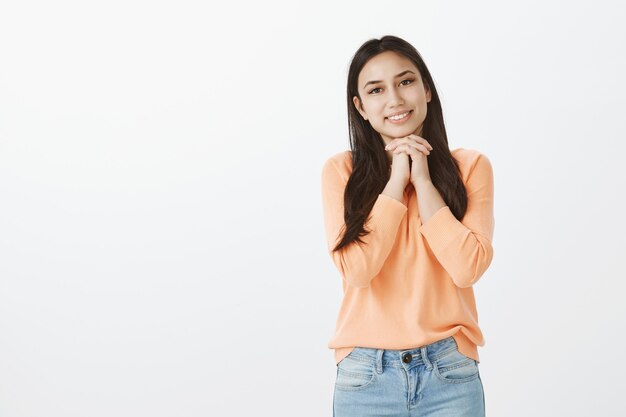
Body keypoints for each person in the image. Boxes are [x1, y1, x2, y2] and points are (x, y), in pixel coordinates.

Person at [320, 35, 495, 416]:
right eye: (376, 89)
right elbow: (359, 271)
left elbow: (467, 269)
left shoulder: (471, 167)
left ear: (427, 89)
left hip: (449, 372)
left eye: (405, 81)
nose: (395, 99)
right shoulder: (341, 172)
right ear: (361, 107)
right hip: (365, 378)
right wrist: (396, 181)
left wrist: (425, 182)